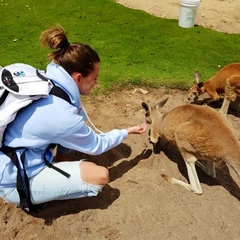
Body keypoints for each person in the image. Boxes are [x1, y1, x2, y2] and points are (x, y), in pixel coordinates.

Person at [0, 25, 147, 210]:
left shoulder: (47, 81)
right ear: (78, 78)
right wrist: (126, 131)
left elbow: (72, 119)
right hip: (12, 179)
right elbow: (97, 146)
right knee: (99, 176)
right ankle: (28, 197)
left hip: (11, 157)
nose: (96, 83)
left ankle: (58, 165)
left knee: (68, 133)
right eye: (94, 78)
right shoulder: (63, 114)